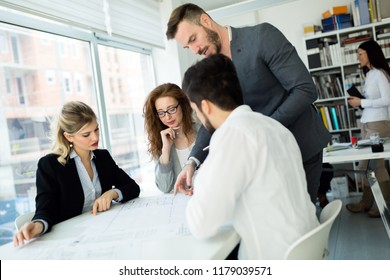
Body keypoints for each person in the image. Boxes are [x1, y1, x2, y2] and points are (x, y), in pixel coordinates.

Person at [166, 3, 331, 203]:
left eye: (193, 39)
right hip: (261, 161)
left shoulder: (262, 37)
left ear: (206, 21)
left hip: (299, 147)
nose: (195, 50)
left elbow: (305, 90)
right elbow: (211, 118)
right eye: (187, 47)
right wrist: (191, 162)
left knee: (300, 222)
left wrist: (258, 132)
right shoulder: (211, 68)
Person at [180, 53, 319, 259]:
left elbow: (202, 224)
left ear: (206, 106)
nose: (198, 116)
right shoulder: (273, 126)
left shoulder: (232, 135)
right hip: (307, 251)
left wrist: (202, 176)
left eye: (195, 110)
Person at [13, 101, 140, 246]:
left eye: (96, 130)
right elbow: (46, 209)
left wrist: (112, 193)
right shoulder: (50, 165)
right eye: (86, 134)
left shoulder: (103, 157)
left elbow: (133, 187)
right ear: (68, 137)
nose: (95, 138)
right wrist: (37, 225)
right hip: (72, 240)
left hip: (104, 232)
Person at [346, 40, 390, 218]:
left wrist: (362, 102)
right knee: (364, 165)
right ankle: (366, 201)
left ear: (370, 53)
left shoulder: (379, 74)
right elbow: (372, 101)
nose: (358, 57)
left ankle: (386, 204)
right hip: (367, 123)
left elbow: (388, 99)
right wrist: (359, 103)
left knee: (376, 165)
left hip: (378, 124)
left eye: (360, 53)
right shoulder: (370, 74)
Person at [143, 83, 200, 193]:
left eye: (171, 109)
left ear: (182, 105)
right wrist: (166, 151)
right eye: (161, 113)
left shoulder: (202, 130)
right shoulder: (160, 143)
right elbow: (165, 188)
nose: (167, 117)